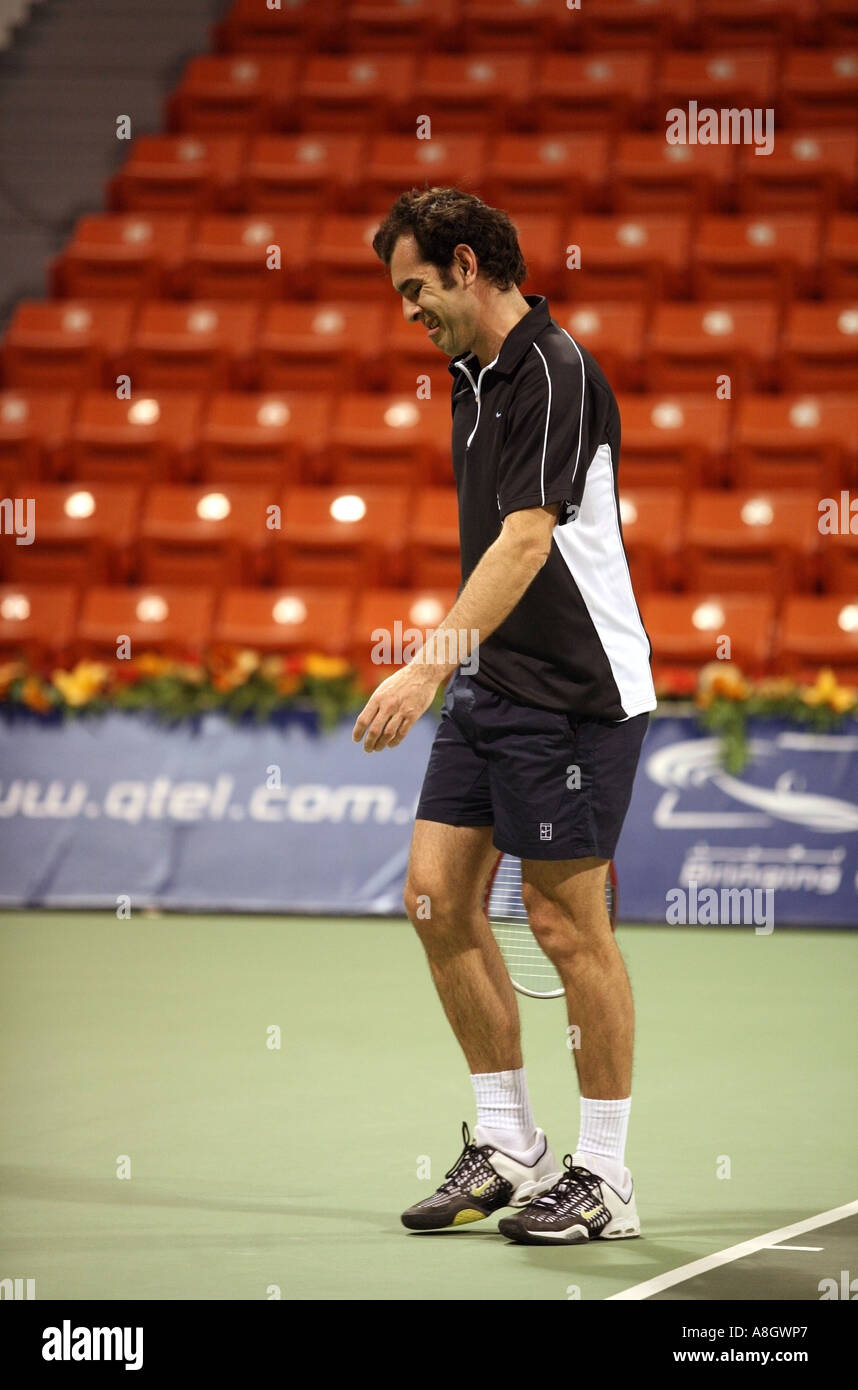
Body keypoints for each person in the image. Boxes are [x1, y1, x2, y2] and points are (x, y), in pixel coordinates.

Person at [353, 188, 656, 1245]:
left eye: (414, 289)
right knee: (434, 899)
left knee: (569, 928)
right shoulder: (468, 378)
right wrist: (461, 668)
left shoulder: (555, 371)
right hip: (495, 684)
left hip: (574, 694)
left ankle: (605, 1176)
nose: (407, 312)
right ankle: (510, 1143)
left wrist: (420, 668)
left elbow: (527, 541)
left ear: (468, 264)